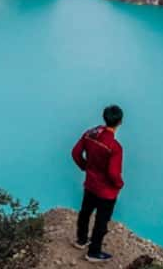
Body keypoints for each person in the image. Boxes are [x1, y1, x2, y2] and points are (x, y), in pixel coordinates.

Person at [70, 104, 124, 263]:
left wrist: (84, 167)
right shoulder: (115, 147)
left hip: (90, 184)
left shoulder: (90, 134)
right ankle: (93, 252)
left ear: (104, 117)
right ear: (120, 122)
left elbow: (75, 153)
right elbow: (113, 173)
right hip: (106, 191)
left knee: (85, 212)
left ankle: (81, 240)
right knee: (101, 221)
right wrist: (119, 184)